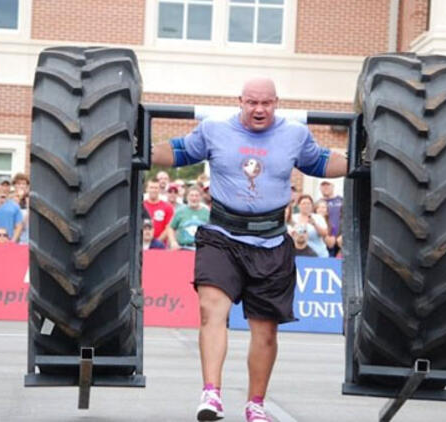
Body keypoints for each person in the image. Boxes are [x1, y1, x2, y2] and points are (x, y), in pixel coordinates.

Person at [151, 77, 347, 422]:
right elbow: (178, 152)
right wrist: (131, 146)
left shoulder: (294, 134)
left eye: (266, 103)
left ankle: (255, 405)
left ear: (276, 103)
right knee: (212, 310)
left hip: (271, 241)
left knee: (266, 330)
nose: (259, 109)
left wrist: (374, 156)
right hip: (222, 236)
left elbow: (321, 163)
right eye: (252, 102)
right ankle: (211, 394)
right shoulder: (214, 130)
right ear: (239, 101)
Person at [143, 178, 174, 243]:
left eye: (156, 188)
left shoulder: (167, 207)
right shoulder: (142, 206)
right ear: (147, 189)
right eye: (151, 187)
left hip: (160, 246)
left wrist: (157, 241)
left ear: (159, 189)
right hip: (142, 244)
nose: (153, 190)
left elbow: (169, 227)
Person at [319, 180, 343, 256]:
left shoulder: (341, 201)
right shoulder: (317, 203)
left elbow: (348, 219)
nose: (325, 188)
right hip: (324, 241)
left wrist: (343, 235)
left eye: (328, 185)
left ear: (333, 186)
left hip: (340, 240)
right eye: (323, 185)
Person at [12, 173, 30, 244]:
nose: (21, 186)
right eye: (19, 184)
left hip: (26, 235)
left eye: (23, 184)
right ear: (14, 185)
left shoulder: (29, 199)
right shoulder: (10, 198)